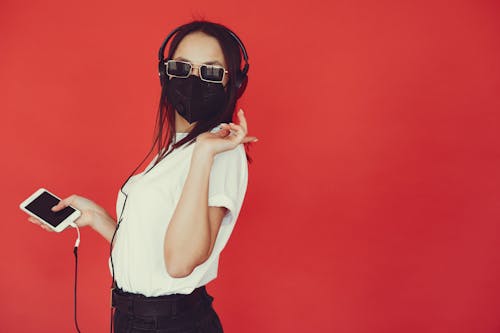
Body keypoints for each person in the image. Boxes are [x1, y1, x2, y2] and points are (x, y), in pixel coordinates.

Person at [28, 20, 257, 333]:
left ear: (234, 83)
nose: (193, 79)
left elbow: (179, 264)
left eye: (211, 71)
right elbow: (152, 254)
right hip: (135, 319)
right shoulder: (175, 149)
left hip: (171, 324)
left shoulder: (219, 149)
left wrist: (204, 154)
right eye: (182, 67)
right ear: (165, 74)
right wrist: (96, 217)